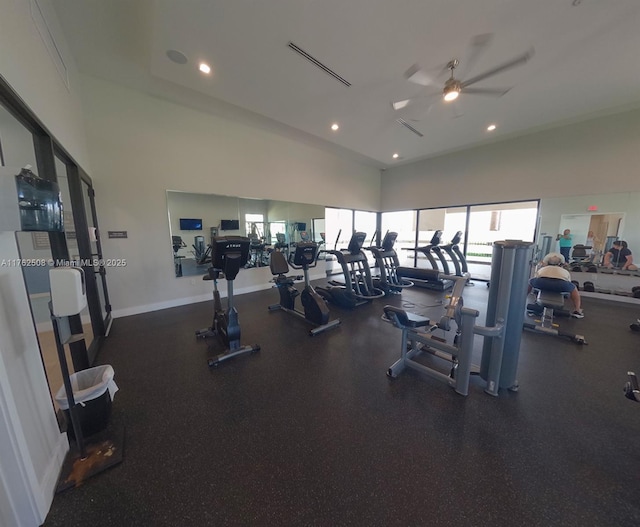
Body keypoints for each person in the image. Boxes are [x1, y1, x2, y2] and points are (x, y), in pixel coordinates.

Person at [529, 252, 584, 318]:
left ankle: (522, 301)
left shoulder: (542, 269)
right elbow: (568, 281)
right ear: (560, 264)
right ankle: (577, 310)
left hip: (542, 283)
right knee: (574, 288)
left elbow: (536, 278)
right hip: (560, 284)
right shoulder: (564, 271)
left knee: (530, 282)